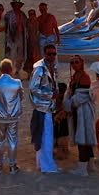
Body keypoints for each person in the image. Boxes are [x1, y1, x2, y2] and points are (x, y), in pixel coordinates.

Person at [29, 44, 61, 174]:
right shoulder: (39, 69)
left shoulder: (51, 67)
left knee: (43, 135)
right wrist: (50, 95)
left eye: (54, 54)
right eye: (49, 54)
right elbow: (33, 88)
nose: (52, 56)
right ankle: (47, 166)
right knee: (46, 137)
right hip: (43, 107)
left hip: (47, 106)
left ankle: (42, 164)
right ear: (44, 54)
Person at [64, 55, 97, 176]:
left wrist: (68, 104)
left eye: (76, 62)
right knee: (85, 136)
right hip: (79, 111)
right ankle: (90, 164)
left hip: (83, 111)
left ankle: (82, 167)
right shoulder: (76, 76)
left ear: (81, 63)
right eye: (72, 62)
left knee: (82, 137)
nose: (74, 64)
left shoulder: (84, 77)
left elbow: (81, 97)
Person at [0, 58, 23, 173]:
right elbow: (21, 96)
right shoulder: (17, 83)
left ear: (0, 69)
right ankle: (12, 166)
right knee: (12, 141)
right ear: (11, 70)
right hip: (13, 117)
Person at [3, 0, 27, 77]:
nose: (17, 6)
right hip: (11, 37)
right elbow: (5, 26)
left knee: (20, 55)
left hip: (21, 37)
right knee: (12, 54)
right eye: (16, 5)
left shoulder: (23, 14)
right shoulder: (8, 15)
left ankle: (18, 69)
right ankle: (11, 70)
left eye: (18, 5)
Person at [25, 9, 42, 74]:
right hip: (29, 42)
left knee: (36, 57)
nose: (32, 16)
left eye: (33, 14)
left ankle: (36, 71)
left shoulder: (37, 22)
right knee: (29, 57)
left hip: (36, 42)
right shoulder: (27, 22)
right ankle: (30, 72)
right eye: (30, 14)